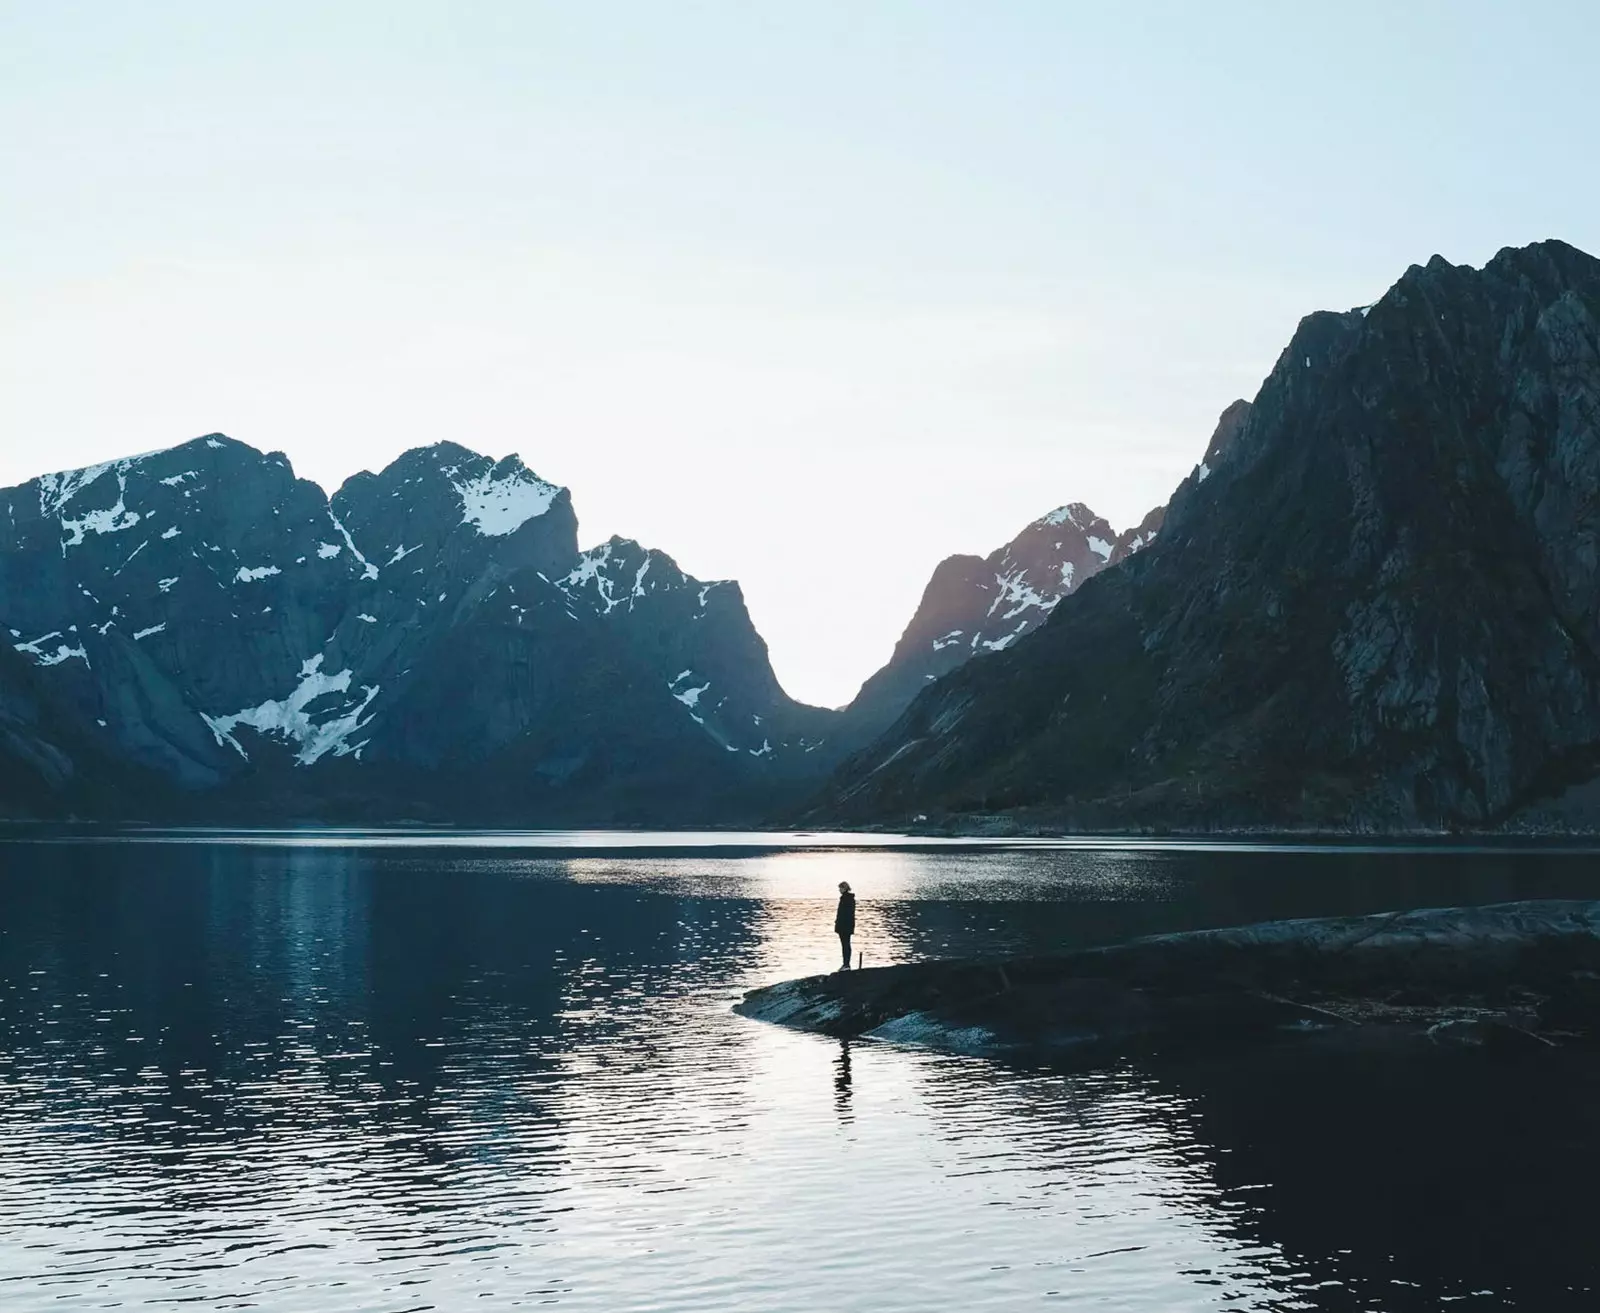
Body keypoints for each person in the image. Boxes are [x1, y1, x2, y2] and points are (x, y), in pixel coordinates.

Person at [834, 881, 856, 970]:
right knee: (846, 945)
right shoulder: (849, 898)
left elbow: (843, 914)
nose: (839, 890)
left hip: (844, 926)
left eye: (840, 888)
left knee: (845, 945)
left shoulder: (845, 899)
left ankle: (846, 964)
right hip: (847, 925)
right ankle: (846, 964)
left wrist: (839, 924)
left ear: (844, 888)